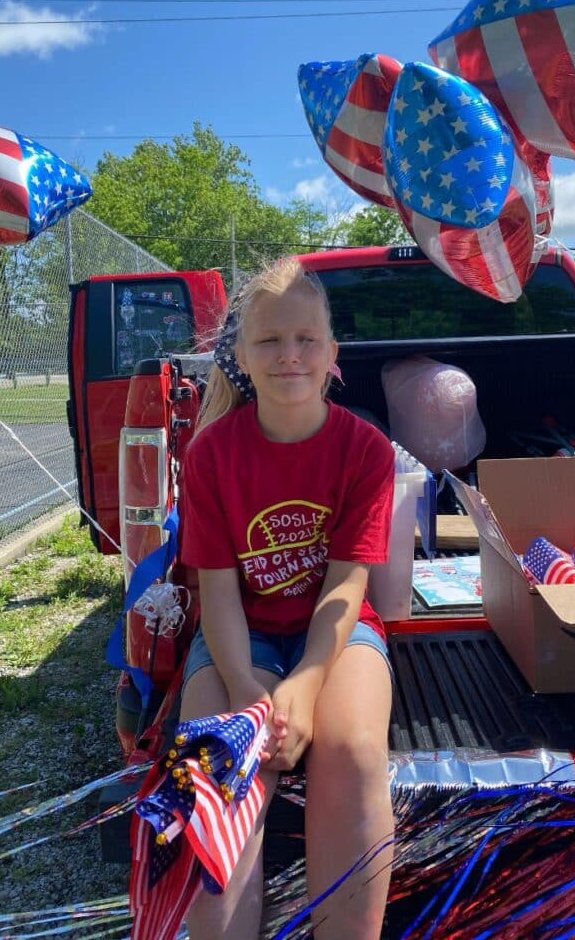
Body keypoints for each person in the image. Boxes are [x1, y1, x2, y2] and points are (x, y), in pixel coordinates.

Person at [178, 256, 395, 940]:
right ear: (241, 354)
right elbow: (218, 595)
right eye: (269, 340)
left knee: (353, 752)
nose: (289, 355)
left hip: (335, 633)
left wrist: (303, 687)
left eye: (306, 340)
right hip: (242, 636)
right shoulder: (211, 455)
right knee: (219, 763)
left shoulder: (366, 450)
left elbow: (346, 587)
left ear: (332, 354)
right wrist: (249, 692)